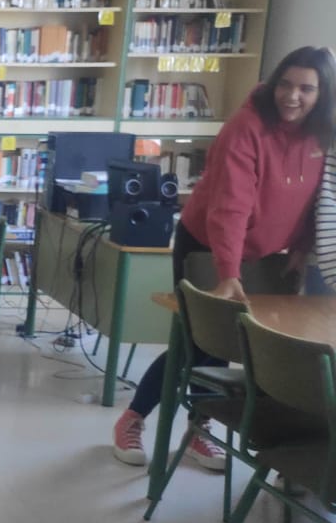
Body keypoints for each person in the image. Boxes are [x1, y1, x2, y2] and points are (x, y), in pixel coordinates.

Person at [112, 45, 336, 468]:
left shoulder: (321, 134)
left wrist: (302, 249)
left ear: (323, 95)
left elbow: (315, 199)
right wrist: (228, 271)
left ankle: (200, 427)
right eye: (285, 84)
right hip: (207, 244)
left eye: (306, 89)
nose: (292, 96)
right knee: (201, 345)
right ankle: (133, 417)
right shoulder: (246, 127)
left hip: (269, 253)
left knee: (250, 349)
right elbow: (230, 206)